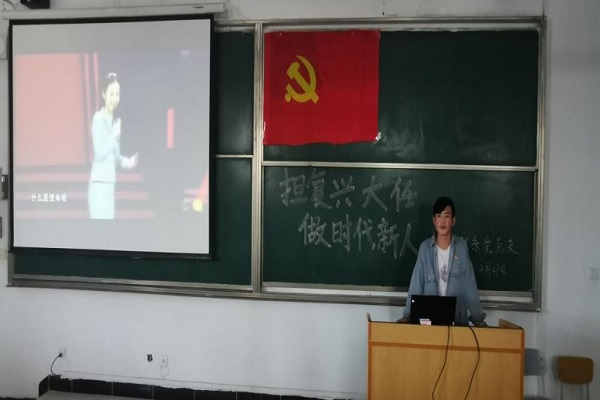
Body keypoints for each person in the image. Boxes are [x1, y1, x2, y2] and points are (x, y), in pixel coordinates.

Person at [398, 196, 487, 327]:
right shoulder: (425, 249)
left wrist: (477, 319)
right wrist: (407, 315)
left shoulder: (461, 247)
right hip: (431, 321)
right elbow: (416, 284)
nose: (442, 221)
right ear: (434, 220)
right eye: (439, 216)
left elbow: (470, 285)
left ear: (453, 220)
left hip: (457, 321)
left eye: (446, 216)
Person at [88, 72, 138, 219]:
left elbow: (114, 157)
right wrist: (113, 135)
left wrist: (129, 162)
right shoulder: (98, 119)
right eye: (111, 94)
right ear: (104, 94)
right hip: (98, 186)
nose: (115, 99)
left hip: (110, 186)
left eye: (117, 94)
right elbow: (99, 153)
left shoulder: (116, 122)